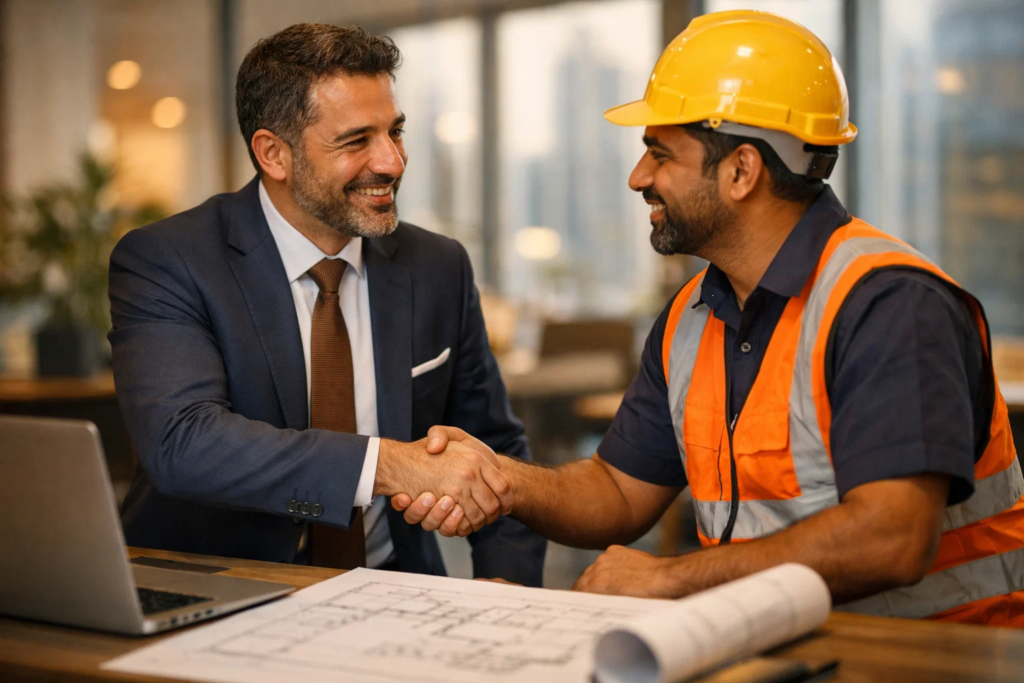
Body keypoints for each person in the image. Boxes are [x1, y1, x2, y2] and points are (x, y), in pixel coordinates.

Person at [399, 10, 1023, 625]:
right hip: (777, 643)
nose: (638, 176)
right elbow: (618, 492)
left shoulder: (888, 304)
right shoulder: (691, 316)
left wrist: (671, 578)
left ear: (741, 171)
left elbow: (892, 538)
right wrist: (502, 478)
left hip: (941, 656)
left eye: (660, 153)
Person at [108, 23, 544, 584]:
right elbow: (184, 442)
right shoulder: (168, 260)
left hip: (398, 588)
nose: (392, 162)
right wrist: (389, 466)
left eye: (395, 131)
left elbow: (500, 451)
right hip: (217, 593)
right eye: (356, 140)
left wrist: (502, 591)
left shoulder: (439, 266)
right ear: (273, 154)